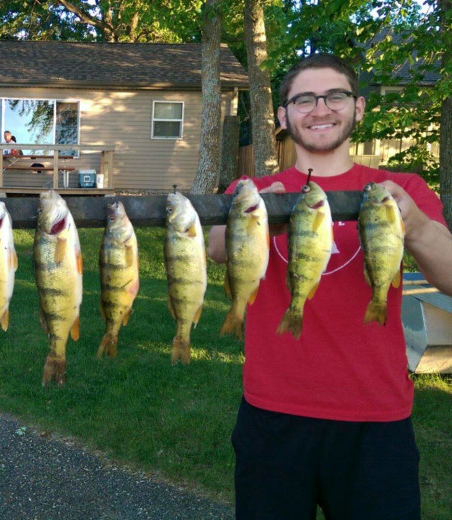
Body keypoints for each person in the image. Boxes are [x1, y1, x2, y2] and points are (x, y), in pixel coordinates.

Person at [208, 54, 452, 519]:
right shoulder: (254, 189)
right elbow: (218, 248)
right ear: (283, 117)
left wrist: (416, 225)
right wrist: (253, 218)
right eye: (304, 99)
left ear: (358, 107)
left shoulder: (401, 187)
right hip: (273, 415)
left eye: (335, 96)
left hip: (376, 421)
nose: (320, 109)